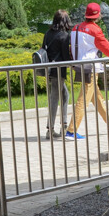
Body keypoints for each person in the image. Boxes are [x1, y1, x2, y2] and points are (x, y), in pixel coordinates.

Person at [64, 3, 109, 140]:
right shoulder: (95, 30)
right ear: (98, 16)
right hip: (90, 68)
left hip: (79, 66)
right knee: (83, 99)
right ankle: (71, 131)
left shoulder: (76, 28)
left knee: (96, 97)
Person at [42, 9, 73, 138]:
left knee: (65, 95)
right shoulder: (64, 36)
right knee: (54, 98)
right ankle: (50, 129)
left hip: (49, 69)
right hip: (58, 70)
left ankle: (63, 125)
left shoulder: (48, 33)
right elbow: (66, 56)